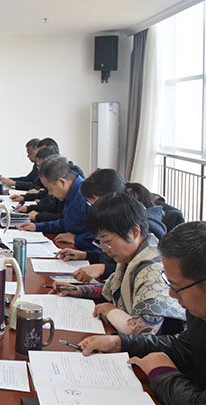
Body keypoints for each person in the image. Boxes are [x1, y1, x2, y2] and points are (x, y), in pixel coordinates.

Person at [77, 222, 206, 404]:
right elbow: (184, 346)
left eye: (176, 287)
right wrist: (120, 343)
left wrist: (162, 373)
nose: (170, 294)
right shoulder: (198, 311)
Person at [50, 192, 184, 335]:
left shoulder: (154, 270)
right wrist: (78, 290)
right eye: (100, 242)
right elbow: (111, 289)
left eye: (107, 242)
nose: (104, 249)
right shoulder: (132, 257)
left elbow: (144, 329)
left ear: (134, 231)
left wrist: (111, 312)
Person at [57, 169, 167, 282]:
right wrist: (86, 255)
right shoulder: (120, 224)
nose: (92, 207)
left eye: (93, 201)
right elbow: (112, 257)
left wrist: (103, 269)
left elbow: (131, 269)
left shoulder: (146, 228)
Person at [18, 155, 96, 250]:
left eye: (50, 189)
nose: (50, 194)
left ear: (62, 182)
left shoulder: (87, 195)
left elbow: (102, 235)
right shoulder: (70, 193)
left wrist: (77, 239)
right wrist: (36, 226)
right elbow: (65, 223)